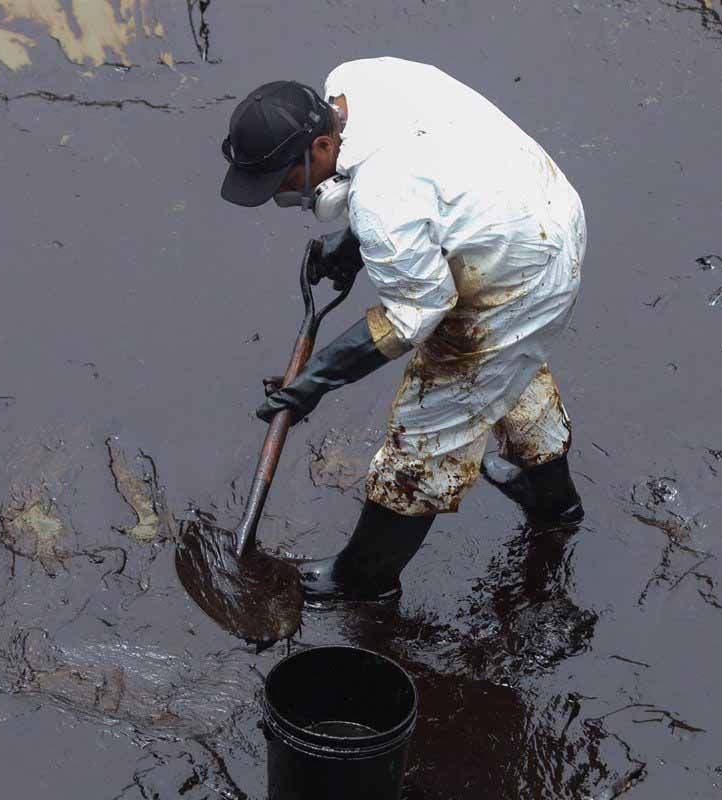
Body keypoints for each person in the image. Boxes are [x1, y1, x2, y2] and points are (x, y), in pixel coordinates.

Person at [219, 57, 586, 603]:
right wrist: (353, 248)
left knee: (431, 428)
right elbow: (428, 176)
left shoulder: (383, 202)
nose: (280, 196)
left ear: (320, 148)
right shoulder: (359, 82)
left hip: (519, 268)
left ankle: (364, 577)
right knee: (510, 369)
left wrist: (317, 379)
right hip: (538, 207)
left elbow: (415, 314)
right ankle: (553, 500)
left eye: (283, 180)